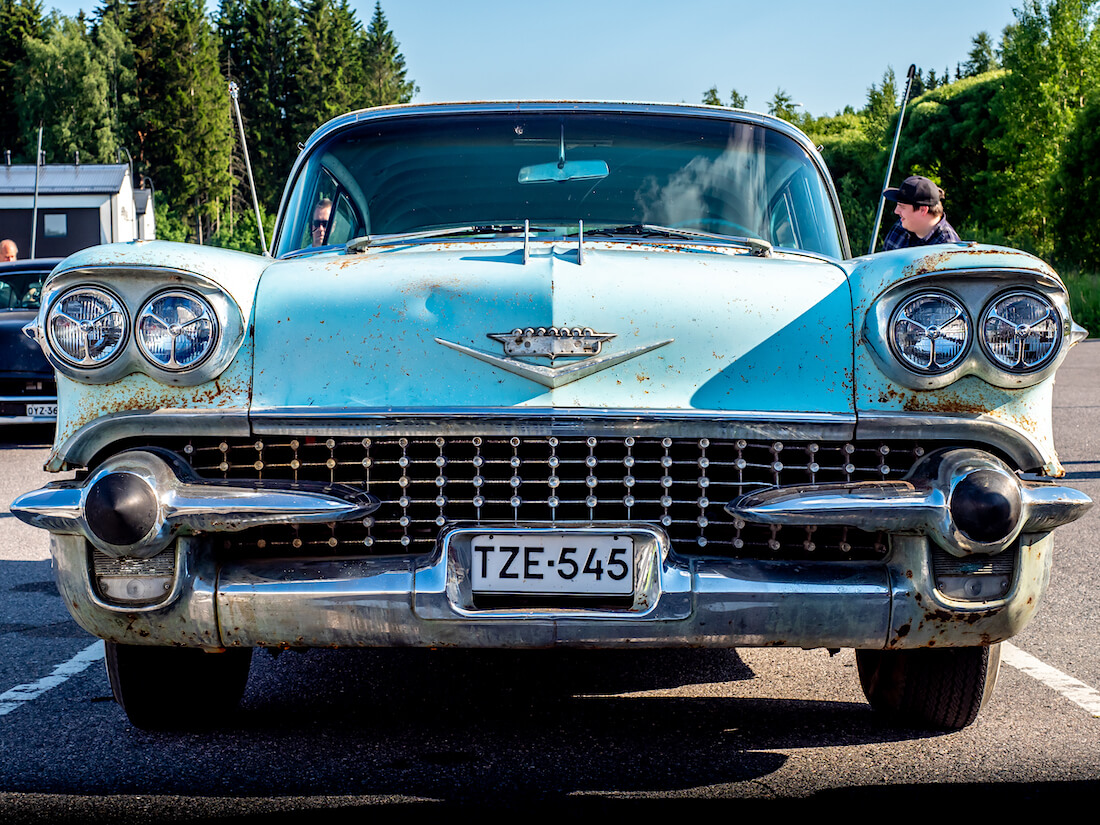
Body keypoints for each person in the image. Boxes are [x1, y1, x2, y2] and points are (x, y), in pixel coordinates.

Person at [881, 175, 960, 251]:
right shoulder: (900, 227)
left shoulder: (948, 249)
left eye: (902, 206)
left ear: (923, 210)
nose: (896, 211)